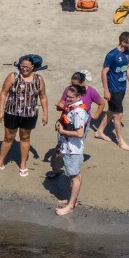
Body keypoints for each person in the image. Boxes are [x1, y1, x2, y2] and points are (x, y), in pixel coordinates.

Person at [0, 56, 44, 176]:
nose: (24, 69)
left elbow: (43, 97)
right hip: (12, 113)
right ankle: (0, 162)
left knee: (25, 138)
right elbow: (3, 93)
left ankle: (23, 164)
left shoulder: (39, 79)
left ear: (32, 67)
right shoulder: (13, 76)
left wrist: (45, 114)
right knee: (8, 138)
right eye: (22, 66)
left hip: (30, 114)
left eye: (27, 67)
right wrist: (0, 111)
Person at [51, 73, 91, 216]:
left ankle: (70, 206)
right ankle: (72, 200)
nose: (67, 99)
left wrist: (62, 131)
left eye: (70, 97)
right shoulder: (72, 109)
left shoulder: (78, 112)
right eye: (67, 96)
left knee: (75, 177)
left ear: (79, 97)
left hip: (73, 149)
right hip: (68, 147)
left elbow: (80, 133)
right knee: (74, 175)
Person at [100, 30, 129, 150]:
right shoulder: (112, 55)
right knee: (118, 115)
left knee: (112, 111)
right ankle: (120, 140)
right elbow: (104, 72)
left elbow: (127, 68)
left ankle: (99, 131)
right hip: (113, 88)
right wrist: (106, 90)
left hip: (122, 87)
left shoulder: (127, 52)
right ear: (123, 42)